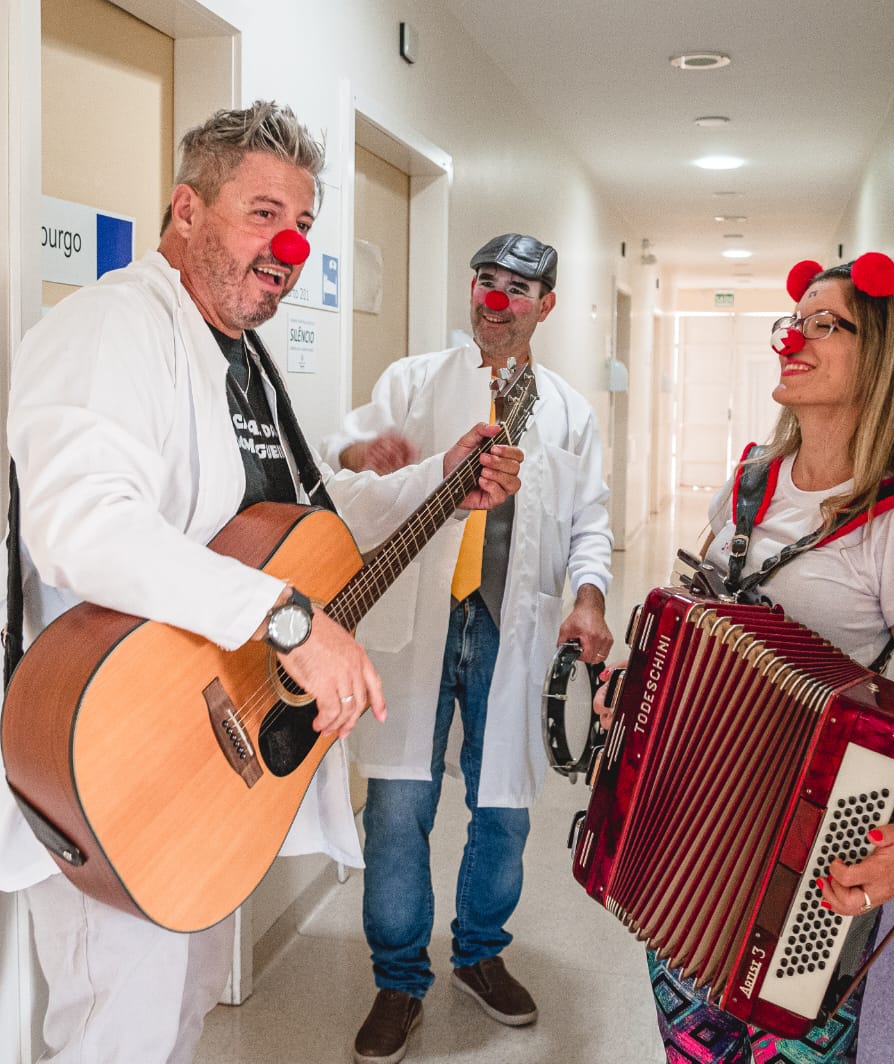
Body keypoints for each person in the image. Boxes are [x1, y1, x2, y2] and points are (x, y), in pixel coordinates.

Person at [0, 102, 523, 1064]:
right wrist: (291, 621)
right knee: (116, 1037)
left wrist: (436, 483)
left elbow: (302, 521)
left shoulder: (244, 358)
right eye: (263, 212)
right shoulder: (110, 329)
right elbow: (81, 526)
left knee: (170, 1029)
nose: (290, 244)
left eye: (300, 222)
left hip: (208, 766)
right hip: (118, 749)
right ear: (186, 211)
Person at [597, 255, 894, 1063]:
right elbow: (688, 626)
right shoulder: (746, 487)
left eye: (823, 325)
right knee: (691, 1047)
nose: (792, 341)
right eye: (792, 324)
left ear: (884, 357)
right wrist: (631, 688)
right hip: (687, 824)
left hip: (810, 860)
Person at [321, 234, 614, 1064]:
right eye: (484, 281)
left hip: (511, 627)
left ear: (544, 305)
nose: (494, 299)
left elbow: (590, 521)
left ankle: (480, 953)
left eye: (516, 289)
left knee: (504, 806)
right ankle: (397, 978)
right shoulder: (411, 383)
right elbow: (343, 475)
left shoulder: (570, 413)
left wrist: (589, 595)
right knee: (398, 806)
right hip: (420, 621)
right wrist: (362, 455)